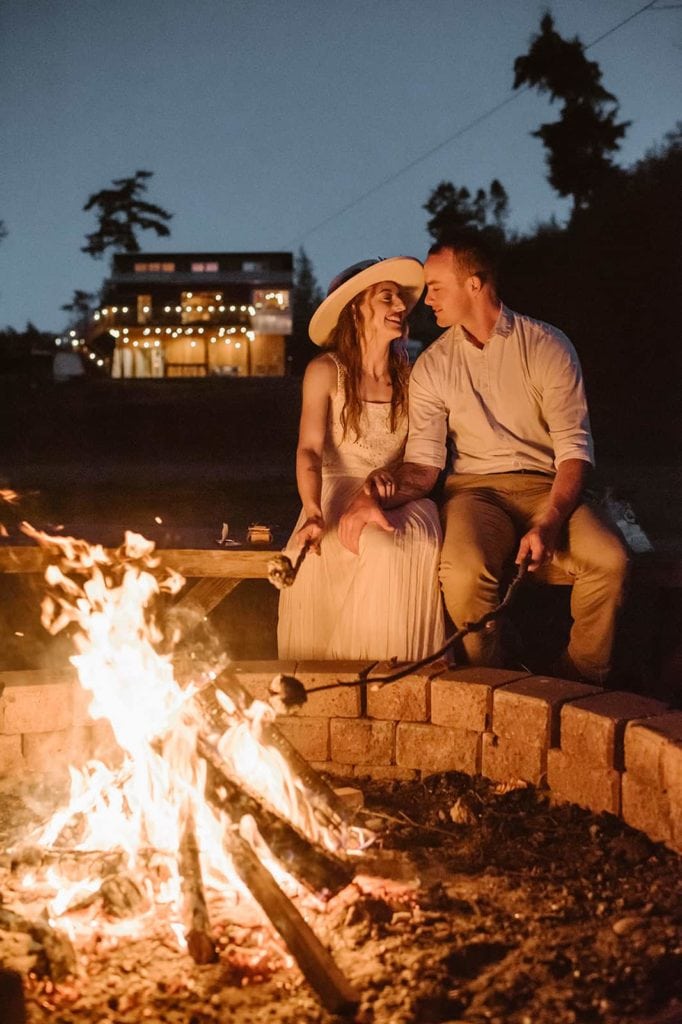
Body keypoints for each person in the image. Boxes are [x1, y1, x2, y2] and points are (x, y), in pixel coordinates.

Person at [339, 230, 629, 683]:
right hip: (476, 494)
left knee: (610, 559)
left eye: (435, 288)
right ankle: (496, 677)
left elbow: (575, 451)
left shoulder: (548, 346)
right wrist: (373, 495)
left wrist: (550, 521)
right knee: (461, 572)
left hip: (547, 487)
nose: (426, 300)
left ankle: (581, 676)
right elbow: (424, 464)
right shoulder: (434, 365)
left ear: (474, 284)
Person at [277, 257, 445, 661]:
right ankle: (339, 685)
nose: (401, 306)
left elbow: (421, 457)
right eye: (387, 297)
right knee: (341, 547)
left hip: (396, 494)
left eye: (402, 299)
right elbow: (310, 450)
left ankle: (395, 676)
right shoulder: (325, 371)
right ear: (356, 308)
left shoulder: (414, 378)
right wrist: (313, 510)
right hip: (334, 491)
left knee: (393, 549)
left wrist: (390, 479)